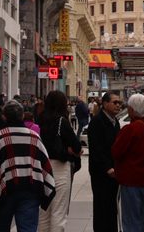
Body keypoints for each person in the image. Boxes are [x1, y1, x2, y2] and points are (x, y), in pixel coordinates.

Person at [0, 100, 56, 232]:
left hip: (5, 192)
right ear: (22, 116)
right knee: (28, 229)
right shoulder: (34, 137)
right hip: (30, 191)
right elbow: (45, 165)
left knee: (1, 228)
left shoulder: (0, 137)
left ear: (4, 117)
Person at [38, 90, 82, 232]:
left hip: (41, 167)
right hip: (59, 167)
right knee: (58, 211)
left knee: (44, 211)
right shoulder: (61, 121)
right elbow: (77, 146)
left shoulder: (39, 119)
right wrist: (69, 150)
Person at [112, 93, 144, 232]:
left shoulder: (130, 129)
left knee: (131, 220)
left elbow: (116, 152)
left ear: (131, 109)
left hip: (131, 181)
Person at [87, 91, 122, 232]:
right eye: (115, 102)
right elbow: (96, 149)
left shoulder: (115, 121)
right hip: (101, 173)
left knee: (112, 207)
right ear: (105, 103)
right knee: (102, 206)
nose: (118, 105)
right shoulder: (97, 121)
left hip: (114, 172)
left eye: (120, 103)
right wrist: (107, 168)